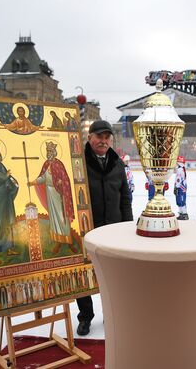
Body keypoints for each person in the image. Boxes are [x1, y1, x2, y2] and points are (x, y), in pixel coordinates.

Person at [78, 120, 133, 336]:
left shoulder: (117, 163)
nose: (103, 141)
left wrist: (128, 226)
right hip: (87, 229)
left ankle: (111, 314)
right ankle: (85, 317)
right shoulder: (79, 162)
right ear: (89, 138)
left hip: (113, 230)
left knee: (112, 277)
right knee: (84, 275)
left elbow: (125, 198)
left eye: (106, 137)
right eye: (99, 136)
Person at [29, 142, 76, 254]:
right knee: (54, 218)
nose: (48, 153)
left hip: (59, 194)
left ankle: (69, 241)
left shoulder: (58, 164)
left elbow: (66, 179)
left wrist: (61, 182)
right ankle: (58, 241)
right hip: (50, 194)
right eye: (47, 151)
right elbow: (43, 177)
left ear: (54, 152)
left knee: (62, 217)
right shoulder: (46, 164)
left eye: (50, 151)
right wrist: (33, 182)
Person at [174, 155, 188, 220]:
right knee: (180, 200)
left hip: (180, 188)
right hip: (182, 187)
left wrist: (176, 187)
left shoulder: (180, 170)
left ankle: (184, 214)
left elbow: (178, 179)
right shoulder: (182, 169)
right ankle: (182, 213)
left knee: (181, 200)